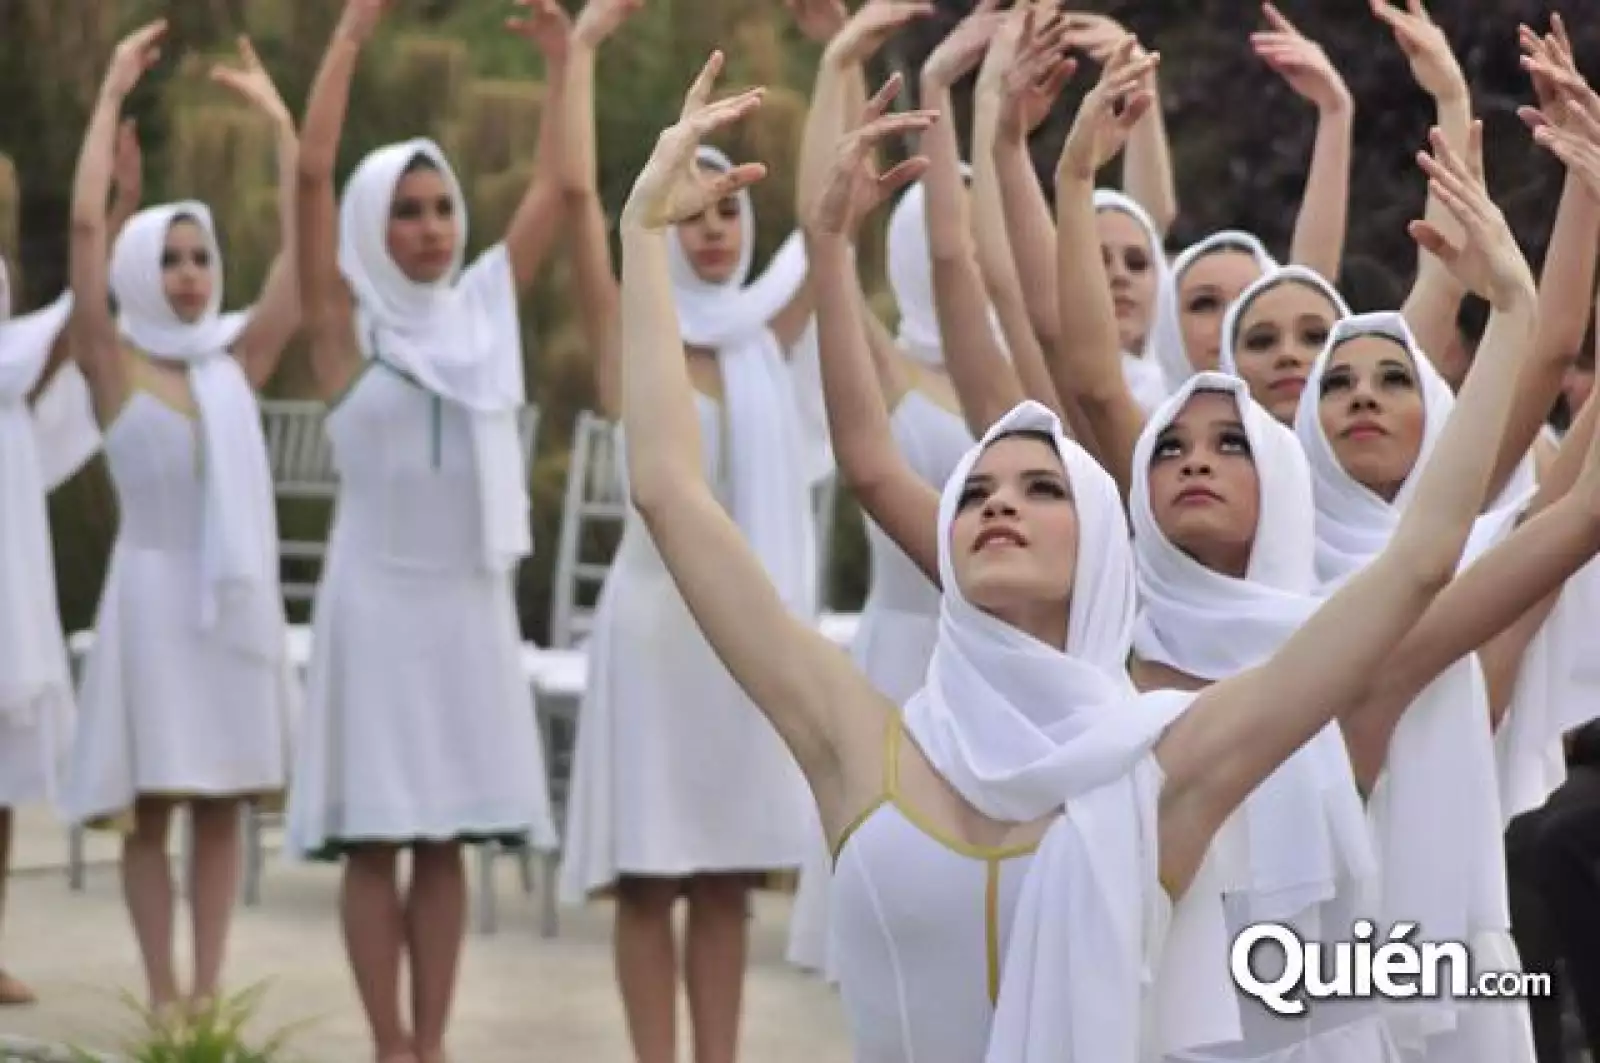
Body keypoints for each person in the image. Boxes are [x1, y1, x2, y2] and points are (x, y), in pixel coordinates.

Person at [616, 36, 1532, 1060]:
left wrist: (1512, 315)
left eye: (1044, 487)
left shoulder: (1161, 767)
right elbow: (666, 491)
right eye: (977, 491)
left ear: (1105, 548)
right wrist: (640, 241)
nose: (998, 504)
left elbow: (1416, 563)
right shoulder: (857, 742)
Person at [286, 1, 565, 1059]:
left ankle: (432, 1044)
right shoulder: (341, 330)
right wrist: (348, 39)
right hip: (374, 606)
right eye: (406, 209)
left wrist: (561, 66)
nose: (432, 225)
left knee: (446, 834)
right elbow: (309, 182)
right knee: (377, 839)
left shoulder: (487, 310)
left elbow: (553, 192)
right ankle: (387, 1040)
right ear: (373, 225)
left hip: (466, 605)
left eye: (442, 204)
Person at [555, 0, 828, 1054]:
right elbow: (578, 200)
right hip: (653, 635)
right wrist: (578, 56)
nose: (713, 227)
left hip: (738, 638)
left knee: (723, 876)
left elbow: (828, 222)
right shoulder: (635, 327)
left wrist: (836, 51)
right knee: (647, 875)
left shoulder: (771, 336)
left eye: (726, 213)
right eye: (695, 208)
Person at [60, 22, 301, 1017]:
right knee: (149, 807)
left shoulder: (235, 363)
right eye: (172, 258)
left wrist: (286, 132)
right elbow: (81, 232)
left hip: (228, 605)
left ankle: (207, 990)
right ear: (136, 271)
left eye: (201, 256)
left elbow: (303, 252)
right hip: (152, 602)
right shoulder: (109, 364)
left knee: (218, 804)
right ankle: (160, 991)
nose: (193, 273)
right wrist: (111, 92)